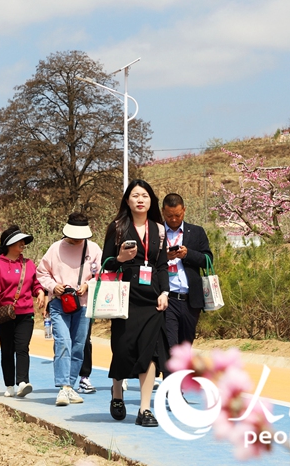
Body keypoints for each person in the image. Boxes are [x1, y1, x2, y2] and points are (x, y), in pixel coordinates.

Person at [101, 179, 169, 428]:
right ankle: (117, 392)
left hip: (151, 299)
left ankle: (144, 409)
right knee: (122, 348)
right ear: (127, 201)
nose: (140, 200)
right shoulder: (117, 227)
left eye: (145, 196)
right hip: (123, 297)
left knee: (150, 352)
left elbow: (162, 265)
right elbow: (105, 263)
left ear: (151, 201)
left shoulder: (159, 230)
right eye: (135, 195)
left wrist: (165, 293)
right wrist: (119, 258)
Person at [37, 213, 102, 406]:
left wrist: (88, 285)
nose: (77, 239)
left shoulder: (94, 248)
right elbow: (41, 272)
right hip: (59, 303)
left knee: (79, 346)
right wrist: (52, 286)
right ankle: (63, 386)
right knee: (63, 342)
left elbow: (100, 274)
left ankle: (70, 386)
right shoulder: (55, 248)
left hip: (83, 305)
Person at [0, 226, 46, 398]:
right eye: (19, 241)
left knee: (22, 347)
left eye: (23, 241)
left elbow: (35, 284)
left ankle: (22, 382)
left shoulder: (29, 264)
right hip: (5, 314)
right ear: (9, 244)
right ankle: (9, 384)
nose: (22, 244)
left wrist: (40, 292)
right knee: (7, 350)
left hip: (26, 313)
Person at [161, 193, 214, 351]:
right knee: (170, 350)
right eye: (170, 215)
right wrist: (164, 256)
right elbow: (147, 261)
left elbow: (208, 260)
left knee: (185, 351)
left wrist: (188, 254)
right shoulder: (156, 232)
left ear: (184, 210)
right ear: (163, 211)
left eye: (178, 215)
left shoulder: (196, 232)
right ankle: (171, 376)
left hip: (190, 301)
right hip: (167, 300)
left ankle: (181, 376)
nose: (174, 219)